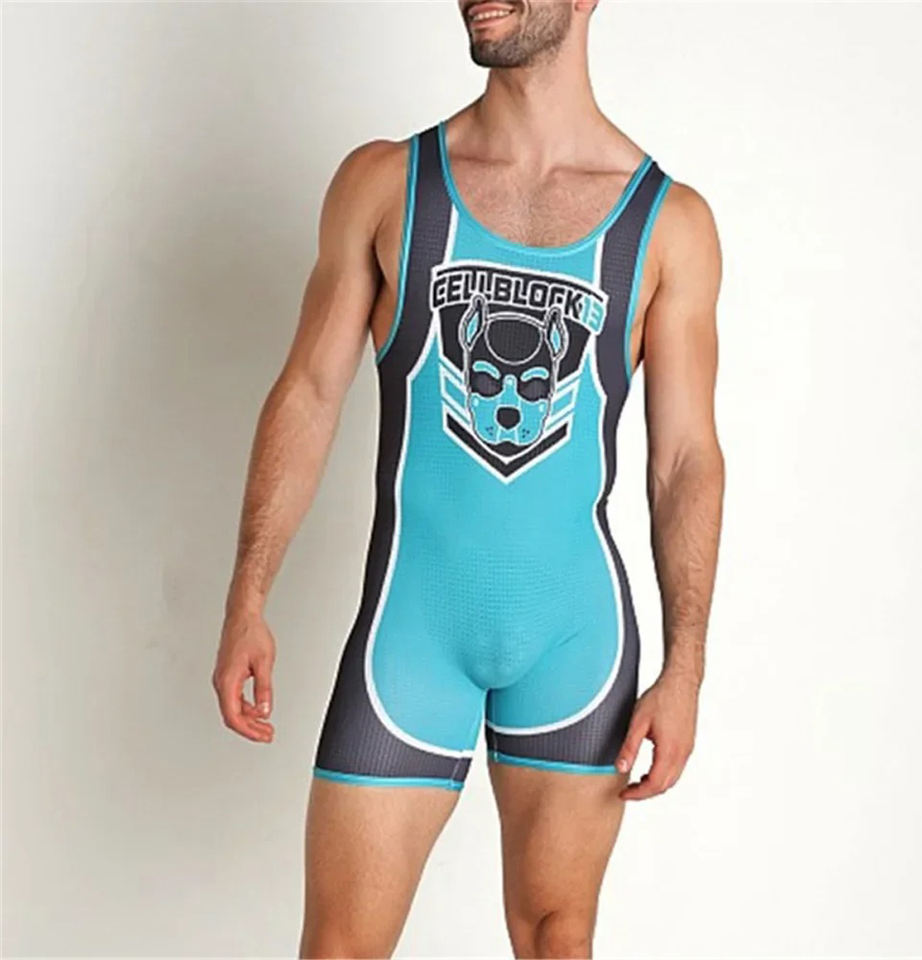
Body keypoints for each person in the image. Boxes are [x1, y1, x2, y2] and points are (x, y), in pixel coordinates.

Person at [212, 1, 724, 956]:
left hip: (575, 641)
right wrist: (248, 594)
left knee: (556, 937)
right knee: (339, 948)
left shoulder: (670, 224)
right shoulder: (386, 185)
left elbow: (685, 459)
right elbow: (310, 391)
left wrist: (685, 666)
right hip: (411, 636)